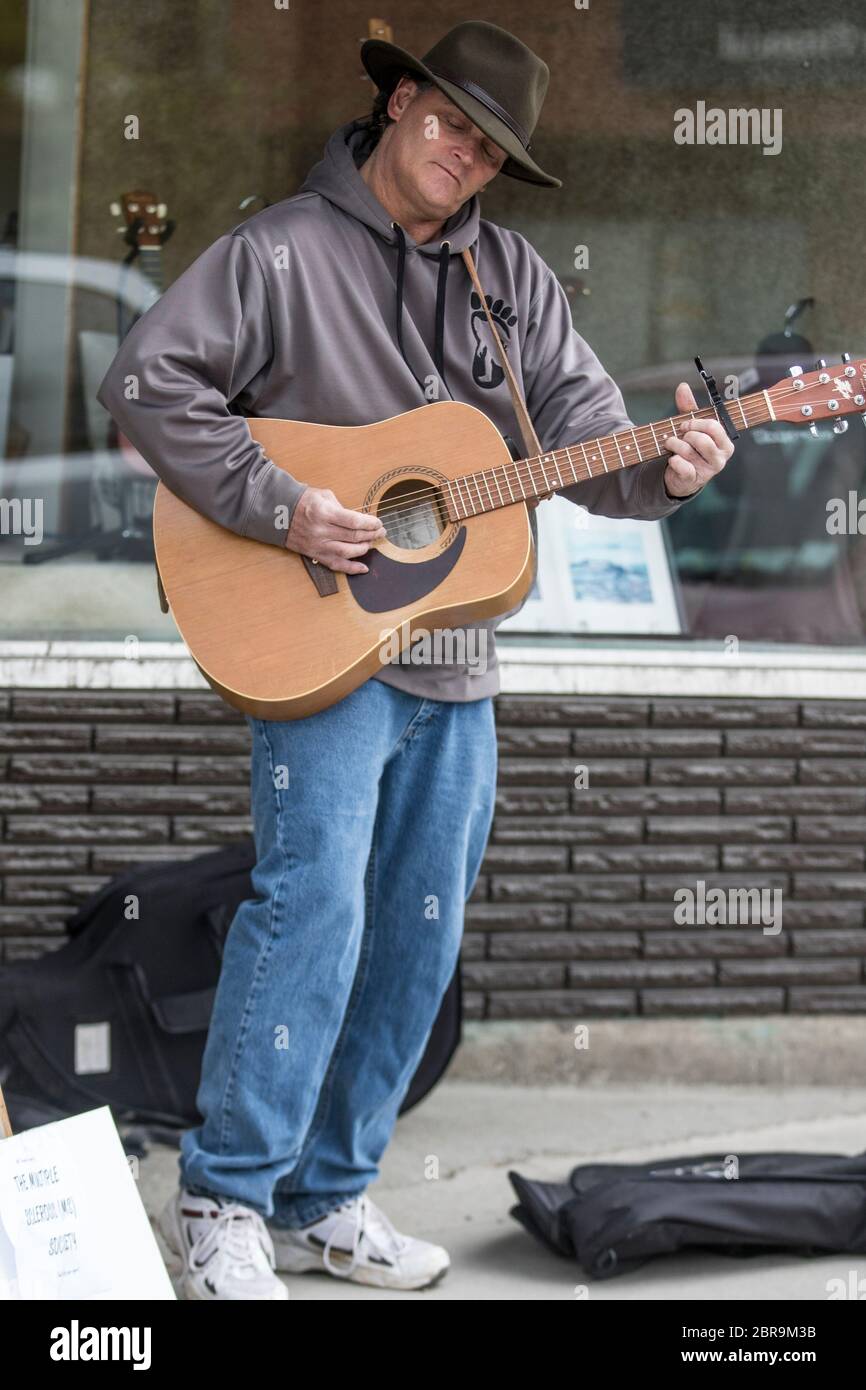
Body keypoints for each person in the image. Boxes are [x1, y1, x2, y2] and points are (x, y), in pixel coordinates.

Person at [97, 21, 733, 1300]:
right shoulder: (278, 250)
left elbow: (583, 433)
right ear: (396, 103)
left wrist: (663, 472)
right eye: (449, 122)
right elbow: (147, 381)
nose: (462, 157)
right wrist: (283, 505)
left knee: (416, 943)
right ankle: (227, 1196)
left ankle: (328, 1194)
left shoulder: (511, 280)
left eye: (489, 148)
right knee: (311, 913)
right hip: (320, 648)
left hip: (456, 659)